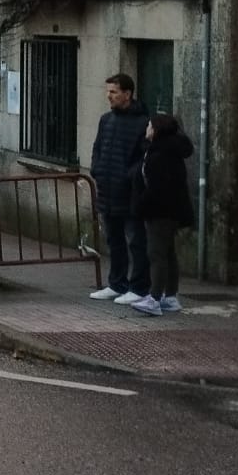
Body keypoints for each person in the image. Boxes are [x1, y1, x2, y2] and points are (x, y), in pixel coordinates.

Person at [87, 73, 151, 304]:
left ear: (127, 94)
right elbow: (97, 147)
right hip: (107, 189)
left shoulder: (143, 122)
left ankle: (139, 286)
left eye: (113, 92)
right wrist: (97, 170)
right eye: (108, 91)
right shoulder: (106, 120)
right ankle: (117, 283)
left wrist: (128, 176)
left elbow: (145, 156)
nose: (109, 96)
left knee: (135, 240)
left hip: (130, 192)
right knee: (114, 240)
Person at [128, 113, 194, 315]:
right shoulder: (168, 151)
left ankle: (155, 297)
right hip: (171, 210)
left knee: (156, 253)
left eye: (149, 126)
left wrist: (140, 205)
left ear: (156, 130)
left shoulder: (160, 155)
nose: (146, 129)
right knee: (168, 252)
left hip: (160, 212)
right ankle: (170, 296)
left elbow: (156, 188)